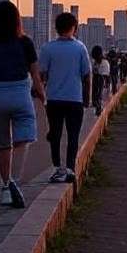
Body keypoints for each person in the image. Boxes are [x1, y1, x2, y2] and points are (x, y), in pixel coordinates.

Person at [0, 1, 45, 208]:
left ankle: (6, 188)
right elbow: (35, 74)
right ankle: (13, 180)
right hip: (20, 93)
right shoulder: (25, 42)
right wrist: (43, 96)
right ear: (17, 20)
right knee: (24, 138)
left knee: (3, 145)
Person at [39, 13, 91, 183]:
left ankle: (56, 167)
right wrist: (87, 98)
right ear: (74, 28)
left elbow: (42, 75)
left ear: (56, 28)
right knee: (73, 135)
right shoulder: (80, 48)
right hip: (75, 99)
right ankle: (70, 168)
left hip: (54, 99)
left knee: (55, 135)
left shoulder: (47, 48)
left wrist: (41, 94)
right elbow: (86, 76)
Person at [90, 45, 109, 116]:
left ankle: (98, 105)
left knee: (98, 93)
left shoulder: (104, 62)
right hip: (96, 78)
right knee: (96, 93)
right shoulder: (95, 62)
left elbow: (105, 75)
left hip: (100, 78)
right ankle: (97, 104)